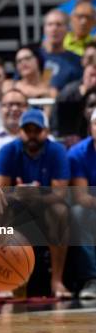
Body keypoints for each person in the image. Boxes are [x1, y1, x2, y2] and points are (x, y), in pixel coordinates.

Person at [0, 108, 72, 298]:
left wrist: (35, 195)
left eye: (36, 130)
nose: (31, 135)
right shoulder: (7, 150)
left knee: (61, 211)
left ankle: (57, 281)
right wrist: (17, 195)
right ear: (19, 131)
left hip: (44, 206)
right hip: (16, 205)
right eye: (26, 130)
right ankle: (3, 281)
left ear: (45, 131)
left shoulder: (57, 151)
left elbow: (60, 193)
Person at [68, 108, 96, 299]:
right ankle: (91, 278)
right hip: (91, 207)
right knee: (78, 213)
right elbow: (81, 197)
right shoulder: (78, 153)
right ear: (90, 128)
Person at [41, 9, 82, 90]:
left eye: (59, 24)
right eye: (50, 24)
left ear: (67, 30)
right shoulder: (33, 56)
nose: (54, 29)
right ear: (44, 29)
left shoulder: (77, 61)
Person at [0, 88, 28, 165]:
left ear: (28, 108)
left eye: (19, 104)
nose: (14, 108)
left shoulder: (45, 141)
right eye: (9, 105)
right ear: (0, 109)